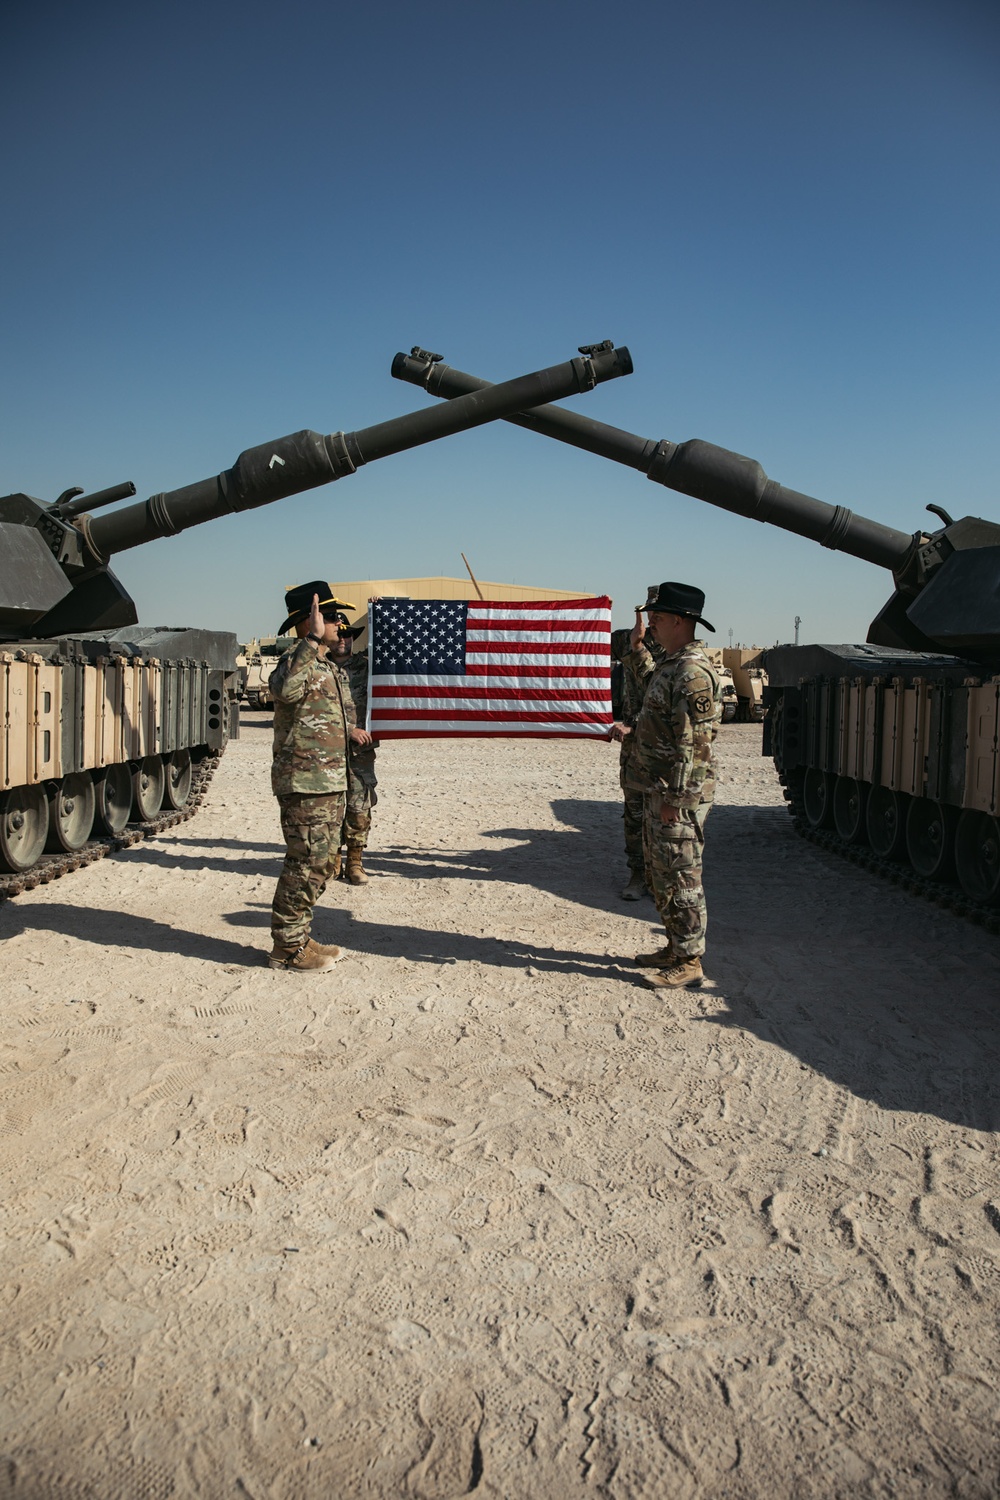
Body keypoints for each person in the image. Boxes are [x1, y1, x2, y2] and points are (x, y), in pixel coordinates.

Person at [267, 581, 373, 972]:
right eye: (330, 616)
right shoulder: (298, 660)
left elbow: (331, 717)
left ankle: (299, 936)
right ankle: (287, 948)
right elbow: (286, 689)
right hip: (305, 784)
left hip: (332, 781)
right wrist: (310, 639)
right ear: (307, 620)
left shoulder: (328, 666)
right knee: (305, 861)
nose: (338, 623)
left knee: (325, 862)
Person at [628, 582, 723, 989]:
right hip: (659, 788)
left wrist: (677, 800)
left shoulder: (693, 672)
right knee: (661, 872)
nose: (651, 624)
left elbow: (694, 745)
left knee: (681, 874)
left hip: (675, 794)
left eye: (658, 617)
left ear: (680, 621)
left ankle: (689, 960)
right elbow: (655, 693)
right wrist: (637, 649)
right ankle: (675, 945)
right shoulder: (672, 664)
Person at [609, 606, 664, 900]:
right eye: (649, 612)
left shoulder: (674, 651)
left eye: (658, 614)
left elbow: (663, 698)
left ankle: (659, 878)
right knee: (633, 812)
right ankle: (637, 875)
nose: (652, 619)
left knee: (661, 815)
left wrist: (635, 725)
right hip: (632, 746)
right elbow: (589, 646)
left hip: (661, 743)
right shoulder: (628, 638)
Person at [326, 609, 377, 885]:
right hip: (328, 751)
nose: (343, 639)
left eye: (348, 634)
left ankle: (355, 862)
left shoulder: (367, 667)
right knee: (330, 809)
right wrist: (348, 731)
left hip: (360, 754)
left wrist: (378, 612)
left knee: (359, 808)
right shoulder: (320, 669)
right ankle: (333, 862)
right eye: (338, 633)